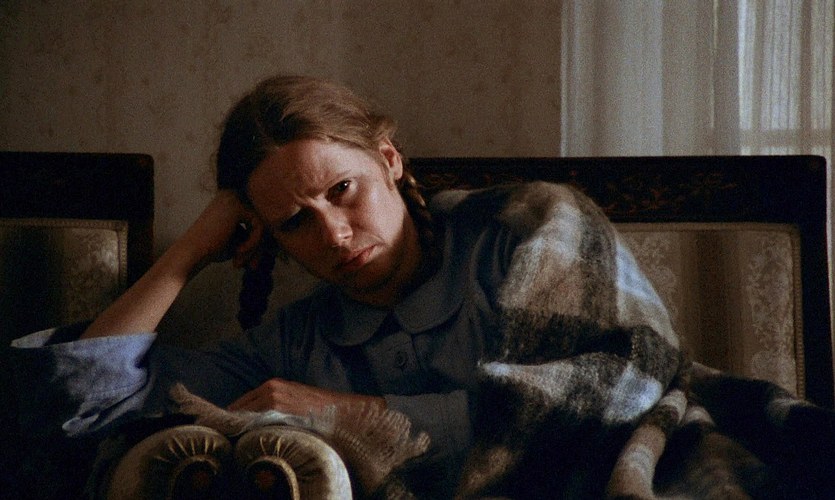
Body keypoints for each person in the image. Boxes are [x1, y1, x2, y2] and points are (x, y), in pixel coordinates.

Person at [10, 75, 682, 499]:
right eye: (295, 222)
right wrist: (189, 253)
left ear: (388, 159)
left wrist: (352, 413)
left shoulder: (525, 227)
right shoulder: (293, 344)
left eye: (341, 190)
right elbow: (74, 407)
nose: (333, 235)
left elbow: (614, 386)